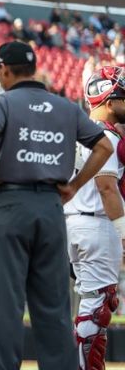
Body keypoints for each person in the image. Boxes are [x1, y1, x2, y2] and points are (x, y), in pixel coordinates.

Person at [0, 41, 113, 370]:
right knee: (53, 307)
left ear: (4, 70)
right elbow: (103, 146)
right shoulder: (66, 107)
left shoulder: (2, 102)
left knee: (5, 306)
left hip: (9, 205)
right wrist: (74, 186)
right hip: (51, 208)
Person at [64, 66, 125, 369]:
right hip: (97, 223)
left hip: (74, 220)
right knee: (99, 306)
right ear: (110, 101)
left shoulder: (80, 131)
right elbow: (106, 186)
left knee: (93, 303)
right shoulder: (107, 136)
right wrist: (123, 231)